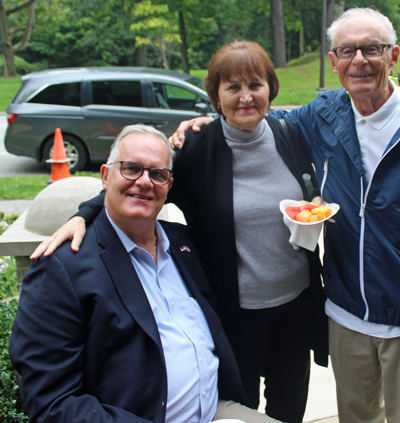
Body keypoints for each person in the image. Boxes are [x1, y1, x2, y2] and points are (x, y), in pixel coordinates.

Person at [168, 7, 400, 423]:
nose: (360, 60)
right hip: (345, 313)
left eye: (371, 49)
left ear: (393, 56)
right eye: (347, 51)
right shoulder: (321, 118)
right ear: (334, 62)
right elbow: (251, 118)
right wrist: (205, 124)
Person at [30, 41, 328, 423]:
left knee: (290, 407)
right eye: (232, 87)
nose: (245, 97)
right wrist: (84, 215)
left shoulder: (290, 135)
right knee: (240, 406)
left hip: (296, 304)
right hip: (234, 311)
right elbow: (140, 184)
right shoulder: (196, 150)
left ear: (271, 87)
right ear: (216, 97)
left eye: (255, 84)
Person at [10, 124, 281, 423]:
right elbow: (52, 403)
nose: (144, 182)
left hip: (215, 410)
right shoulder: (61, 269)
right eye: (131, 168)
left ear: (169, 185)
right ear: (104, 176)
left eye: (157, 174)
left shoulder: (184, 245)